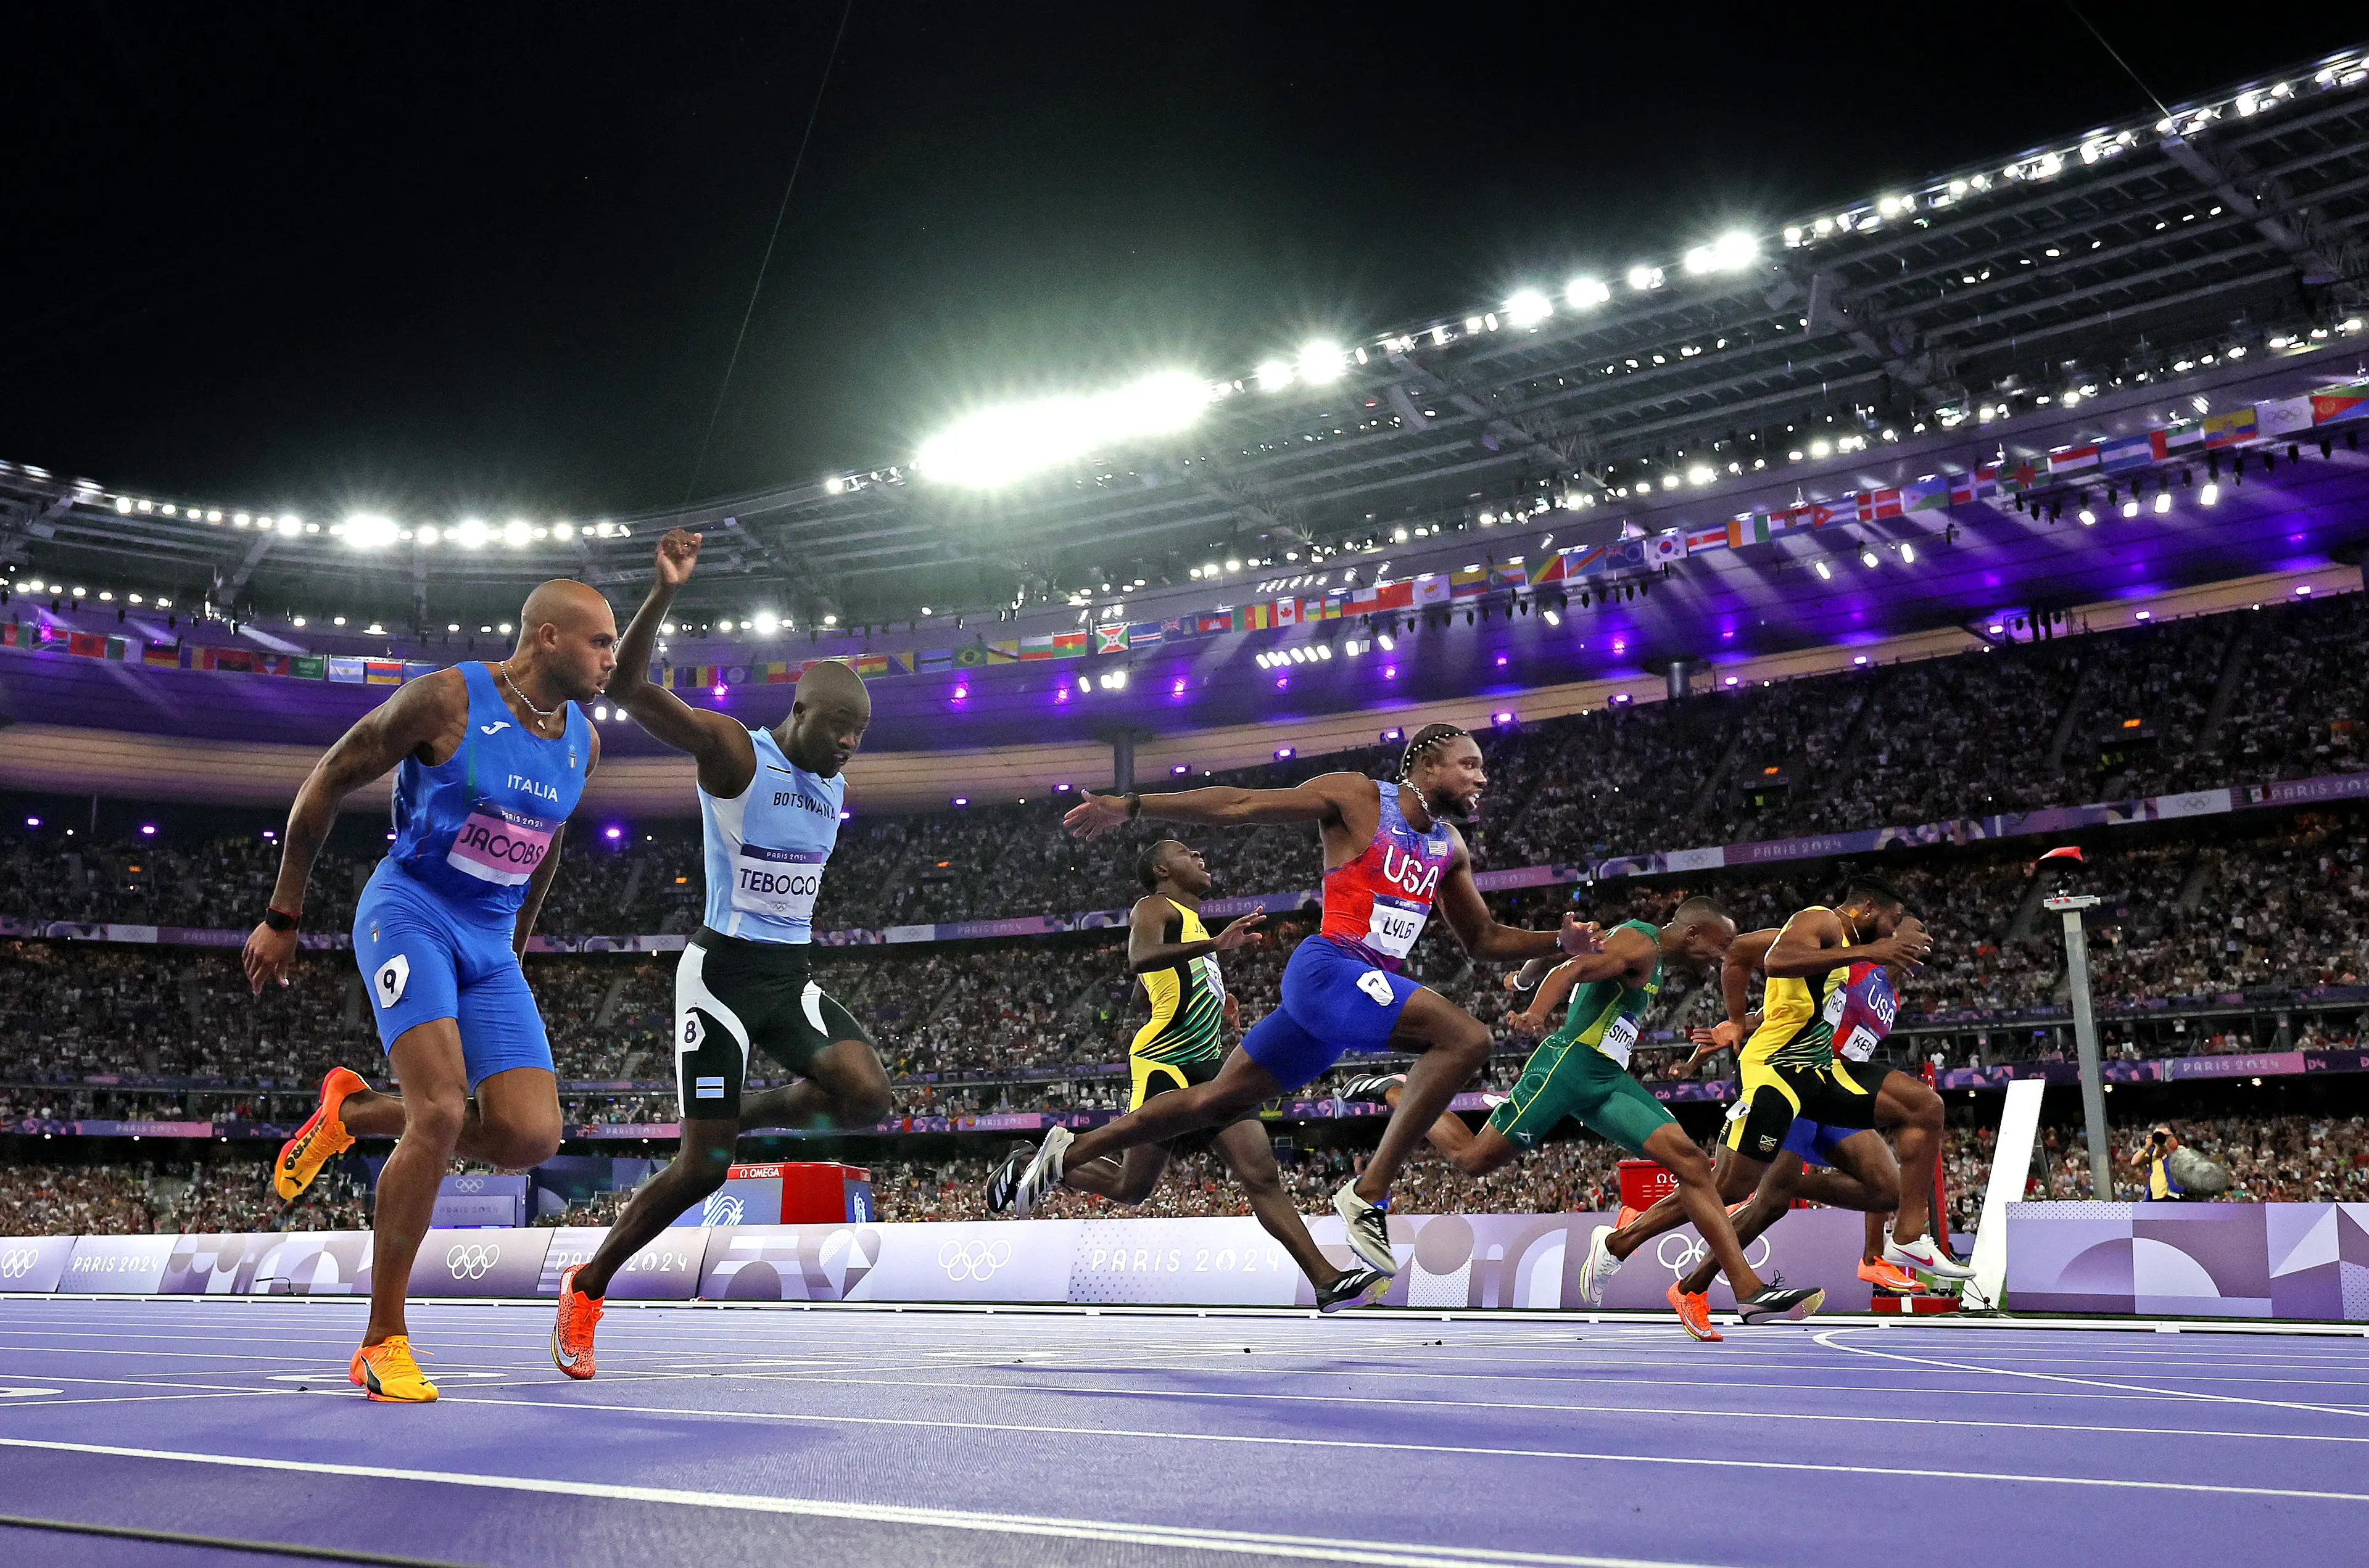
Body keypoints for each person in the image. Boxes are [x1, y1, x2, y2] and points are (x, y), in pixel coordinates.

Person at [993, 723, 1600, 1278]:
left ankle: (1072, 1147)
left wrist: (1559, 942)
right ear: (1428, 763)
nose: (1481, 777)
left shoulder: (1450, 849)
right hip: (1329, 969)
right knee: (1468, 1038)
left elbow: (1485, 939)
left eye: (1482, 768)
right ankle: (1368, 1193)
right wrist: (1132, 805)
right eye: (1469, 764)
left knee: (1213, 1101)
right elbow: (1242, 803)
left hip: (1340, 1009)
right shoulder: (1359, 797)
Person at [246, 579, 616, 1402]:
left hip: (488, 940)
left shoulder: (582, 743)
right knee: (443, 1110)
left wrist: (511, 948)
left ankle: (351, 1113)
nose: (611, 661)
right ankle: (382, 1338)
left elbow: (544, 846)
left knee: (528, 1136)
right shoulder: (446, 700)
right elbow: (330, 777)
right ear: (549, 637)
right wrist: (284, 912)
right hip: (410, 910)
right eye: (601, 643)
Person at [550, 527, 891, 1378]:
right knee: (705, 1165)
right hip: (721, 976)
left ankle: (747, 1105)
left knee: (869, 1097)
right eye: (838, 727)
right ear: (799, 711)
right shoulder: (738, 751)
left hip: (788, 976)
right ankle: (588, 1286)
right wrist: (664, 591)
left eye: (861, 732)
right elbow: (625, 686)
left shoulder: (836, 783)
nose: (850, 745)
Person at [1338, 901, 1825, 1326]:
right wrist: (1536, 1011)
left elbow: (1562, 953)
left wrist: (1520, 976)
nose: (1724, 954)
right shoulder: (1640, 942)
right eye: (1720, 945)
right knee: (1472, 1160)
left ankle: (1747, 1291)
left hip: (1607, 1078)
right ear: (1694, 931)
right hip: (1567, 1068)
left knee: (1695, 1166)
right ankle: (1400, 1092)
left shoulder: (1648, 955)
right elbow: (1568, 971)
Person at [988, 839, 1391, 1311]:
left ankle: (1325, 1280)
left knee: (1252, 1175)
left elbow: (1147, 989)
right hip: (1167, 1056)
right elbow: (1141, 959)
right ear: (1162, 868)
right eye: (1187, 852)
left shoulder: (1192, 923)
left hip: (1210, 1061)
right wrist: (1213, 948)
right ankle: (1046, 1157)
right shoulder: (1154, 906)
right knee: (1133, 1187)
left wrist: (1214, 992)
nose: (1201, 856)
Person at [1590, 877, 1965, 1337]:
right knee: (1740, 1191)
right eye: (1911, 930)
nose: (1922, 943)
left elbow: (1806, 1005)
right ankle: (1641, 1251)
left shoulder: (1887, 990)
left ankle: (1888, 1239)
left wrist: (1743, 1023)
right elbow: (1755, 958)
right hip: (1784, 1076)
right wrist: (1734, 1023)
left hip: (1828, 1082)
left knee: (1886, 1184)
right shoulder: (1834, 934)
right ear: (1877, 918)